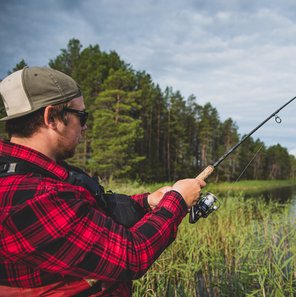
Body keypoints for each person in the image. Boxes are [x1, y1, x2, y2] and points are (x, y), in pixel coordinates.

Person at [0, 67, 206, 296]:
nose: (85, 127)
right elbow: (131, 255)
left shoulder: (38, 175)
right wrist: (177, 201)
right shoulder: (30, 196)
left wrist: (148, 202)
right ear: (52, 118)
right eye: (82, 116)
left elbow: (93, 211)